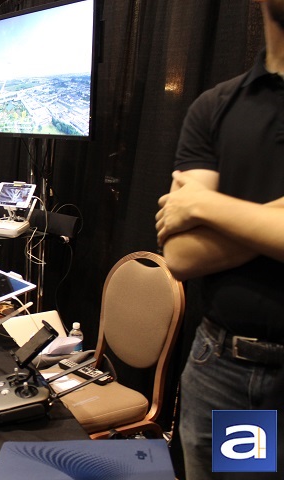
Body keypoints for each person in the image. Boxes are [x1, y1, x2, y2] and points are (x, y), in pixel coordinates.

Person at [156, 1, 284, 477]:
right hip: (228, 371)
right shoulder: (216, 106)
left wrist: (205, 207)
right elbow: (181, 254)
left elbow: (192, 217)